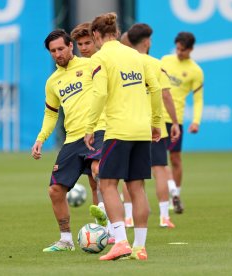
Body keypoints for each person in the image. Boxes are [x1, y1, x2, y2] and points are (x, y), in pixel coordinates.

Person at [84, 12, 162, 261]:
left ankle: (120, 242)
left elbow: (98, 95)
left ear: (96, 35)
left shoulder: (100, 58)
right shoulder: (136, 56)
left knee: (107, 183)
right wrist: (157, 123)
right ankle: (140, 247)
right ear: (116, 33)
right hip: (141, 130)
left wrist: (89, 126)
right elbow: (156, 88)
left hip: (118, 130)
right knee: (137, 187)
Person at [31, 29, 105, 252]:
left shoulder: (90, 64)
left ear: (71, 46)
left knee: (97, 172)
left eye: (61, 48)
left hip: (98, 129)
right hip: (73, 139)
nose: (57, 54)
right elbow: (52, 114)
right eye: (53, 51)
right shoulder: (53, 81)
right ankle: (66, 239)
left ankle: (108, 227)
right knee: (55, 190)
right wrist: (40, 138)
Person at [121, 23, 181, 228]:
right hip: (154, 126)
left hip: (130, 124)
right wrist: (174, 122)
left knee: (128, 173)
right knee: (160, 170)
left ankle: (128, 217)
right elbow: (165, 95)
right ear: (147, 41)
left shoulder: (125, 64)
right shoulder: (155, 64)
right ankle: (164, 217)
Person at [70, 22, 115, 243]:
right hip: (85, 130)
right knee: (94, 182)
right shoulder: (74, 67)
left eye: (88, 42)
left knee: (102, 172)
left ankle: (110, 215)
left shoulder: (102, 62)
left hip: (105, 125)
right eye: (80, 44)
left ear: (95, 40)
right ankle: (104, 227)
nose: (84, 47)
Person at [161, 32, 204, 214]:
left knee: (175, 159)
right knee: (155, 160)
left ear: (191, 49)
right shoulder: (165, 60)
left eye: (183, 50)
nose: (179, 52)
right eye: (177, 48)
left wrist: (196, 121)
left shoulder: (195, 71)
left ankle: (175, 196)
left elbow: (199, 99)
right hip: (155, 117)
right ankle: (130, 197)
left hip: (175, 121)